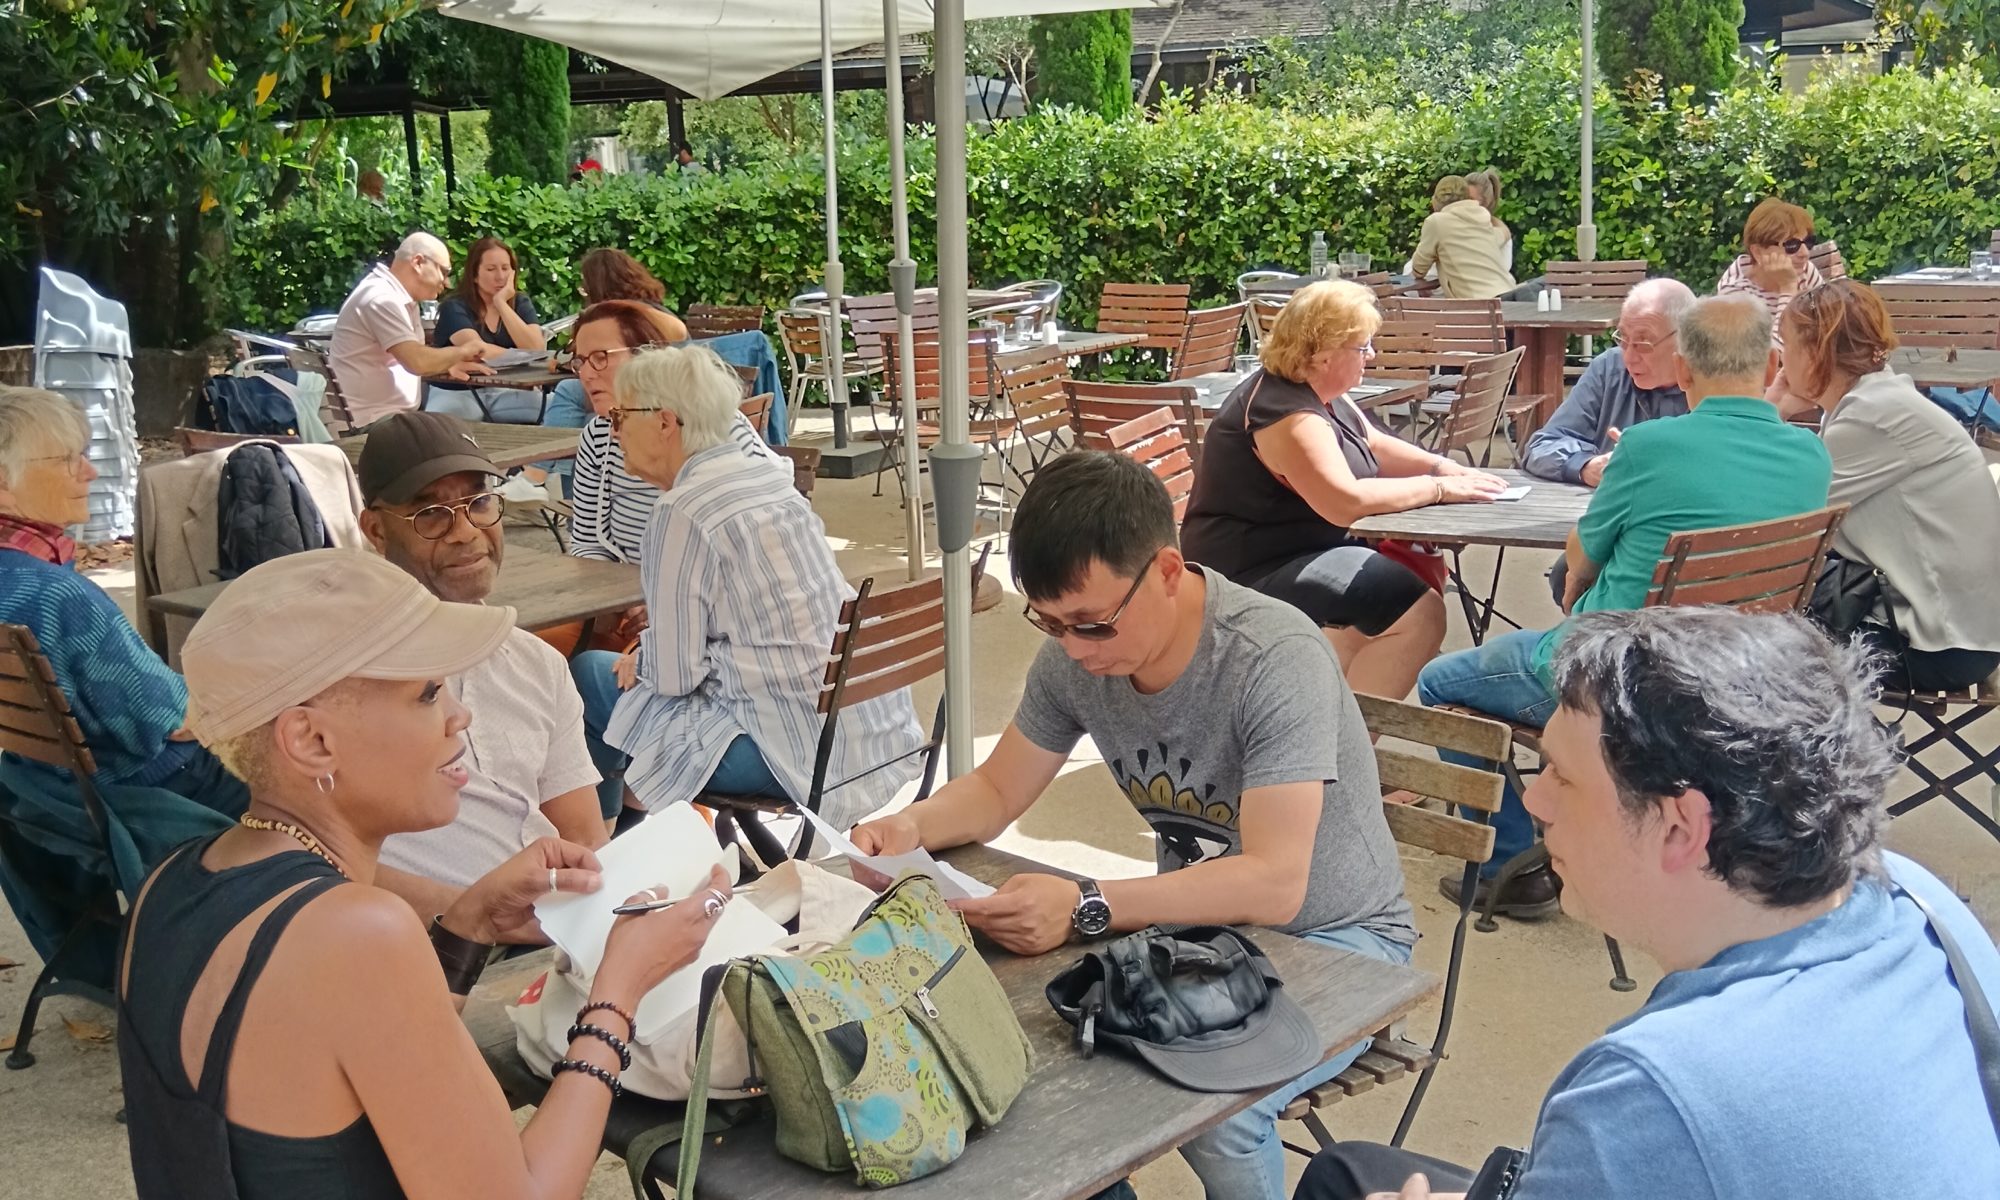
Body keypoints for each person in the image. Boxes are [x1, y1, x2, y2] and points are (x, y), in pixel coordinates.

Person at [852, 451, 1416, 1200]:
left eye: (1091, 625)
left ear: (1168, 572)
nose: (1074, 650)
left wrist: (1087, 902)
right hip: (1203, 937)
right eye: (1049, 623)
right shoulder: (1076, 655)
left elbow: (1276, 883)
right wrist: (910, 824)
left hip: (1343, 940)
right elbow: (996, 787)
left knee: (1220, 1112)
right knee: (1021, 1050)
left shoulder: (1273, 657)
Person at [1295, 607, 2000, 1200]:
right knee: (1349, 1170)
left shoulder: (1653, 1091)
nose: (1534, 801)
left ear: (1680, 827)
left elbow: (1674, 1130)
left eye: (1562, 777)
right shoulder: (1917, 899)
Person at [117, 547, 734, 1199]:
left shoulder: (172, 879)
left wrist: (468, 924)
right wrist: (618, 993)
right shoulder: (354, 930)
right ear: (312, 741)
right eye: (428, 693)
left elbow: (351, 1064)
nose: (458, 716)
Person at [1416, 295, 1832, 917]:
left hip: (1619, 679)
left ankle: (1508, 863)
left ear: (1683, 368)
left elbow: (1580, 559)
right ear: (1773, 365)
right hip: (1739, 682)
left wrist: (1580, 589)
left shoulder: (1647, 447)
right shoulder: (1810, 456)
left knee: (1440, 680)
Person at [576, 345, 921, 833]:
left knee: (587, 675)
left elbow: (676, 678)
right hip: (869, 737)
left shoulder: (683, 511)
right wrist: (652, 654)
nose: (613, 431)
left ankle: (602, 843)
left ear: (664, 422)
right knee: (627, 684)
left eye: (620, 416)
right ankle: (631, 832)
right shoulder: (767, 477)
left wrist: (647, 655)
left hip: (791, 754)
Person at [1181, 280, 1507, 701]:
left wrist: (1441, 465)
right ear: (1324, 354)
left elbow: (1373, 443)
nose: (1372, 355)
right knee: (1419, 613)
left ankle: (1328, 725)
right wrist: (1438, 488)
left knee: (1370, 621)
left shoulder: (1319, 392)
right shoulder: (1289, 416)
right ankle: (1351, 738)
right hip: (1248, 569)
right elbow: (1345, 503)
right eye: (1363, 346)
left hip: (1300, 550)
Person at [354, 412, 611, 914]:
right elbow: (314, 856)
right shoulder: (351, 679)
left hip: (555, 928)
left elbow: (585, 838)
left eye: (479, 503)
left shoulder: (536, 662)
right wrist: (477, 916)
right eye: (430, 514)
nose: (465, 531)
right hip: (432, 943)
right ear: (376, 530)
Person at [0, 385, 245, 815]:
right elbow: (171, 720)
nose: (90, 472)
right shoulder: (58, 596)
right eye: (67, 459)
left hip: (42, 791)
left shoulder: (30, 579)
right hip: (155, 794)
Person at [1781, 279, 2000, 691]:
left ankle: (1837, 735)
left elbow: (1779, 518)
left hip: (1942, 647)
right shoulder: (1876, 399)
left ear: (1815, 353)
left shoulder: (1871, 417)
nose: (1780, 359)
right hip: (1964, 631)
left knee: (1759, 641)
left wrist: (1772, 410)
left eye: (1786, 345)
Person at [1521, 278, 1695, 487]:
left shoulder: (1715, 380)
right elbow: (1543, 445)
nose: (1629, 357)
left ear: (1685, 338)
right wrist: (1586, 466)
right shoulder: (1610, 369)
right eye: (1623, 339)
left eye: (1643, 343)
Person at [328, 232, 497, 430]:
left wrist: (448, 363)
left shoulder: (399, 296)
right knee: (462, 435)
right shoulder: (382, 299)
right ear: (418, 262)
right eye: (444, 272)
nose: (447, 283)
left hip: (384, 420)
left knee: (462, 432)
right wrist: (463, 351)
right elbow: (418, 362)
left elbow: (411, 359)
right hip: (368, 425)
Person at [541, 250, 688, 437]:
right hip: (664, 386)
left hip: (659, 389)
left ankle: (551, 454)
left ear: (597, 284)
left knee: (569, 389)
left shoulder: (629, 317)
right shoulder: (653, 310)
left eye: (585, 285)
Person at [427, 236, 546, 425]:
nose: (500, 276)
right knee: (447, 425)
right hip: (457, 390)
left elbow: (537, 348)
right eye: (491, 269)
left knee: (555, 407)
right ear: (474, 275)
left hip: (505, 391)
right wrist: (524, 357)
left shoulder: (520, 303)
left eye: (505, 268)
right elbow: (477, 350)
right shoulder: (454, 306)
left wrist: (501, 304)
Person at [1715, 197, 1824, 342]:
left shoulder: (1804, 270)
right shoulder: (1735, 294)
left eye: (1808, 242)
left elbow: (1827, 327)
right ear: (1758, 252)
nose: (1805, 253)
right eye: (1791, 245)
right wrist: (1788, 288)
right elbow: (1770, 354)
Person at [1407, 175, 1515, 300]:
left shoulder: (1436, 222)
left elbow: (1419, 269)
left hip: (1479, 302)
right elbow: (1503, 233)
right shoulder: (1483, 219)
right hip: (1509, 293)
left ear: (1435, 200)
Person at [1465, 168, 1512, 274]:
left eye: (1470, 199)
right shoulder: (1451, 224)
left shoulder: (1498, 231)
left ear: (1486, 203)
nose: (1464, 203)